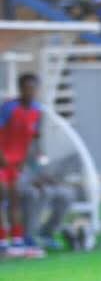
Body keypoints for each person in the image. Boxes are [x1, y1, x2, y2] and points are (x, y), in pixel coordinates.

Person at [1, 73, 44, 257]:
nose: (30, 91)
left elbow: (32, 139)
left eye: (33, 88)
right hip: (2, 160)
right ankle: (2, 240)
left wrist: (26, 160)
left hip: (17, 163)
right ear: (20, 89)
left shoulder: (37, 110)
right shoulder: (9, 108)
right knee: (1, 196)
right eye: (27, 88)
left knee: (16, 199)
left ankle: (17, 239)